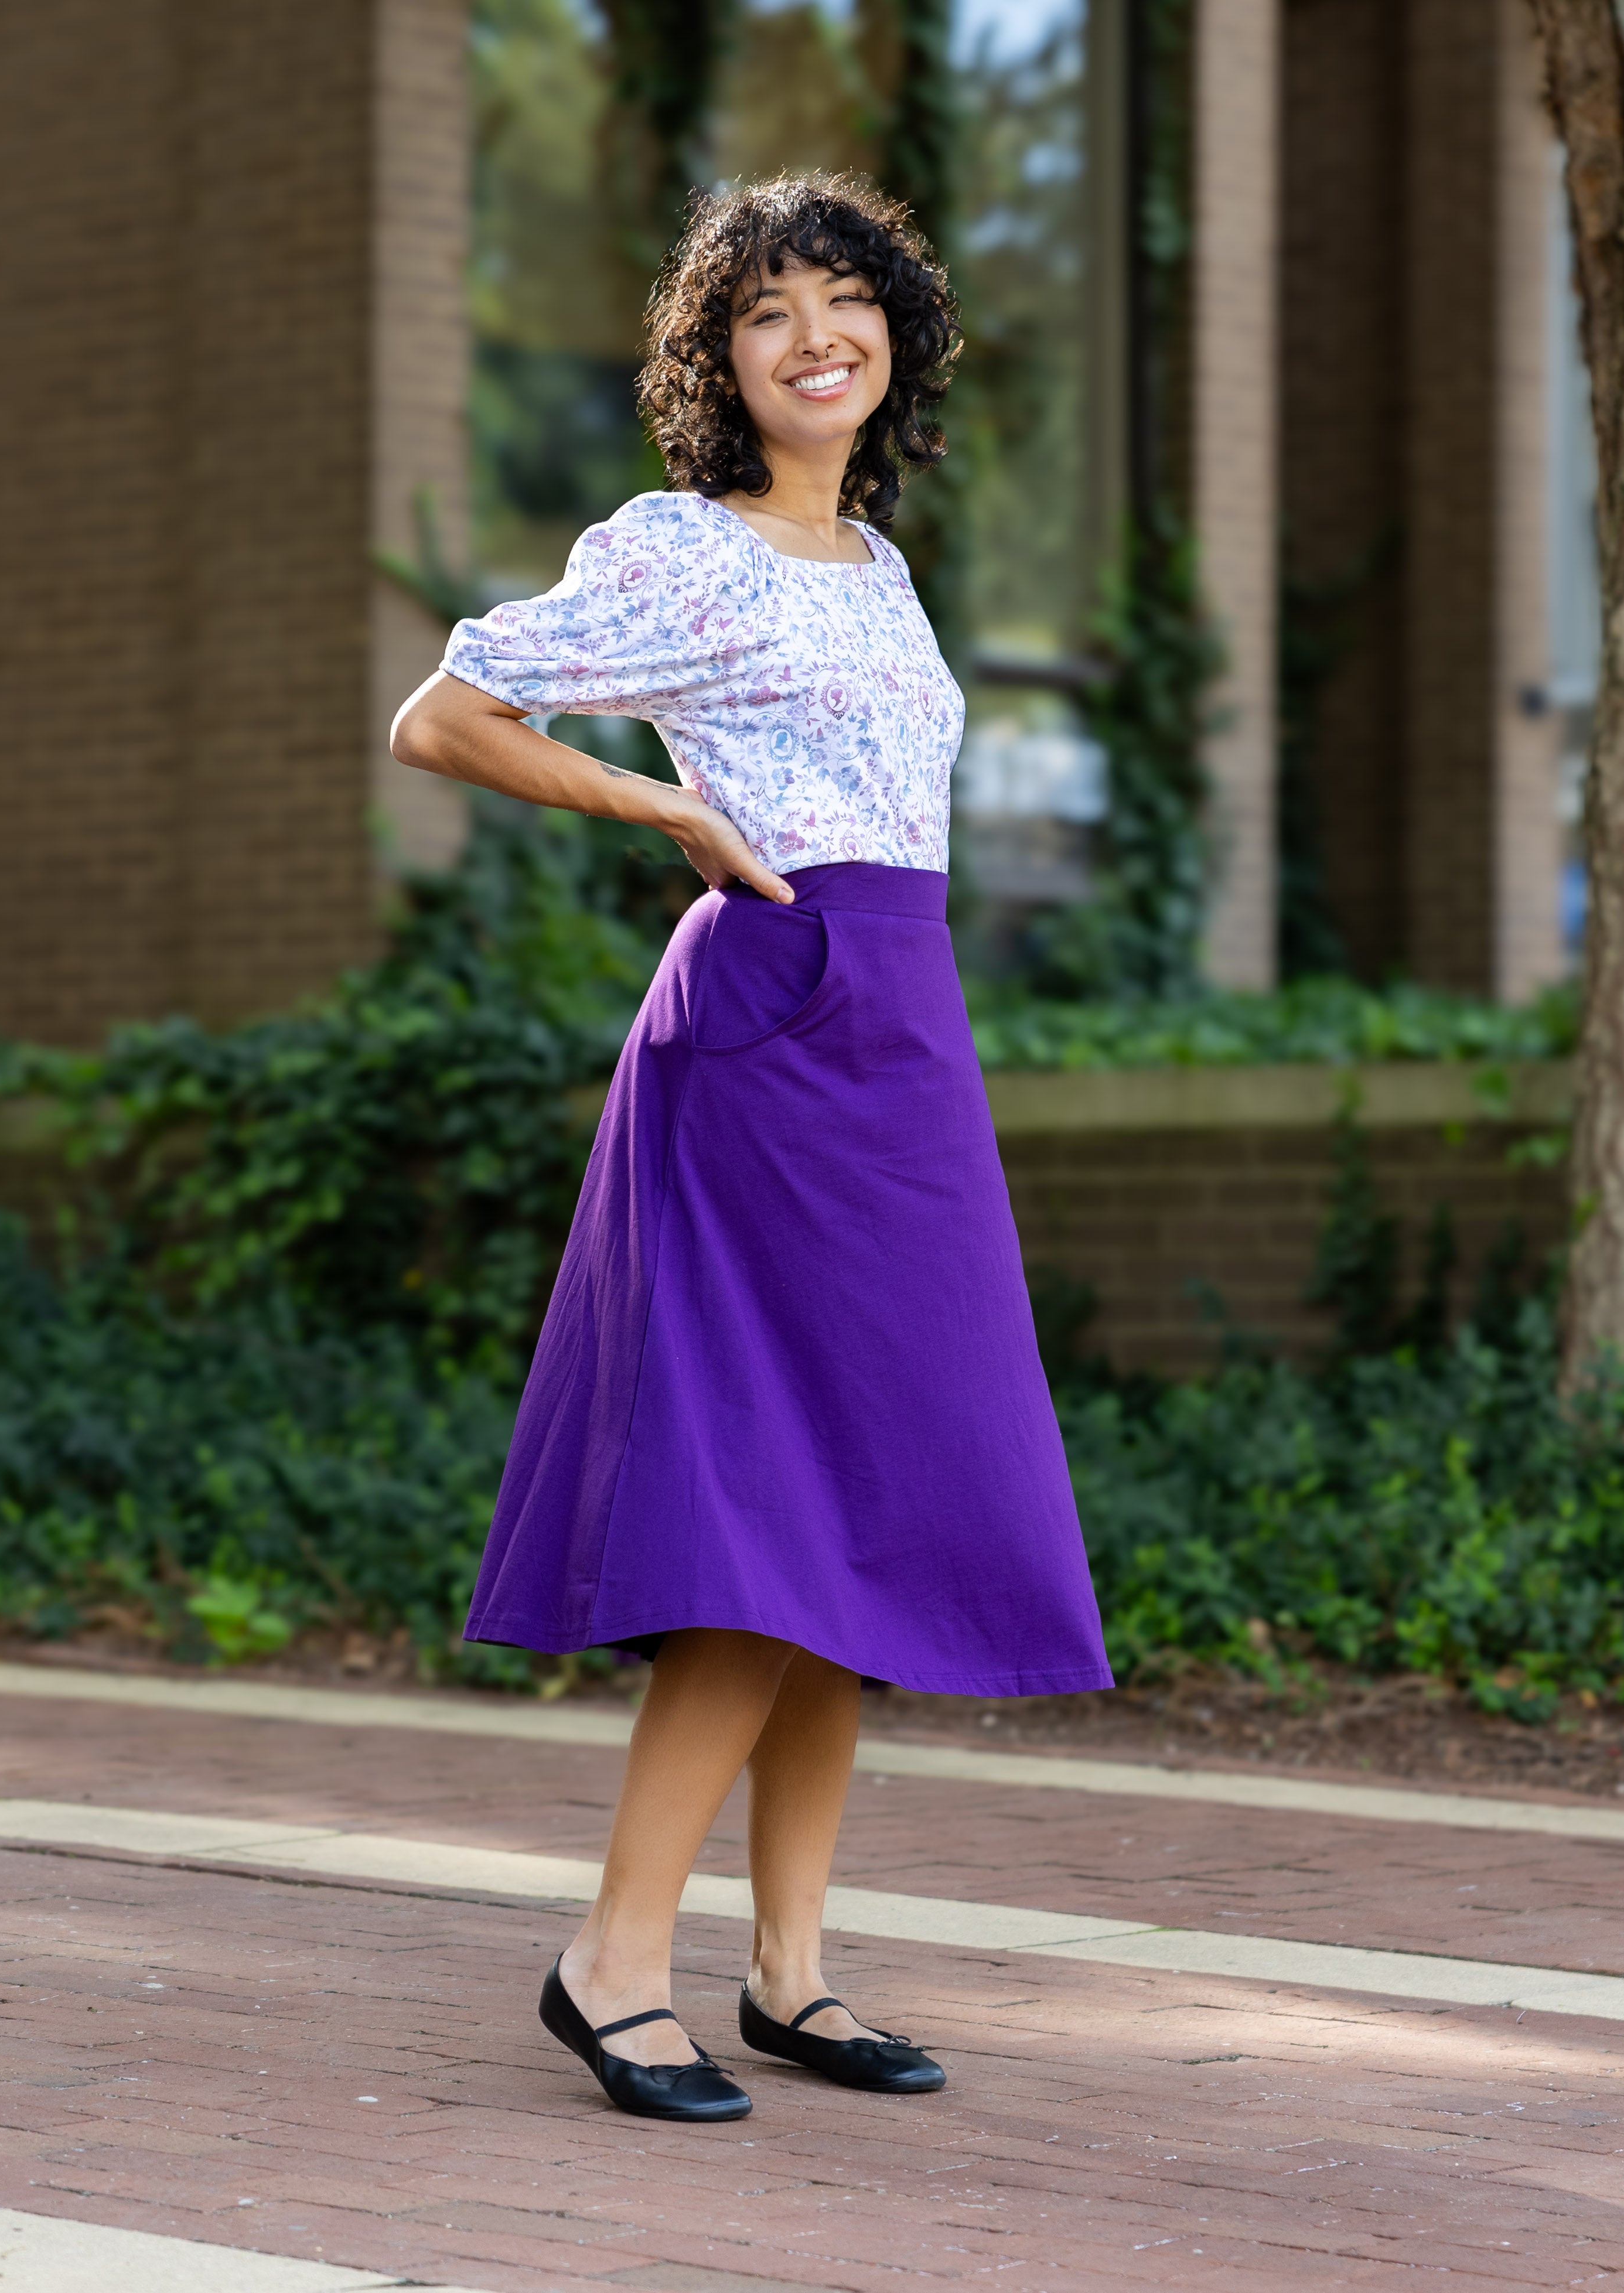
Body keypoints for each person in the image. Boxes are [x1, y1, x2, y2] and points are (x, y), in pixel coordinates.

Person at [390, 172, 1111, 2125]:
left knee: (867, 1492)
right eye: (770, 309)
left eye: (848, 301)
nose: (818, 336)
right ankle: (612, 1956)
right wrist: (661, 810)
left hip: (905, 1026)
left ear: (896, 338)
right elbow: (443, 718)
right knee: (763, 1521)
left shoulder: (875, 566)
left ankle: (789, 1969)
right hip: (776, 1029)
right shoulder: (682, 553)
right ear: (720, 360)